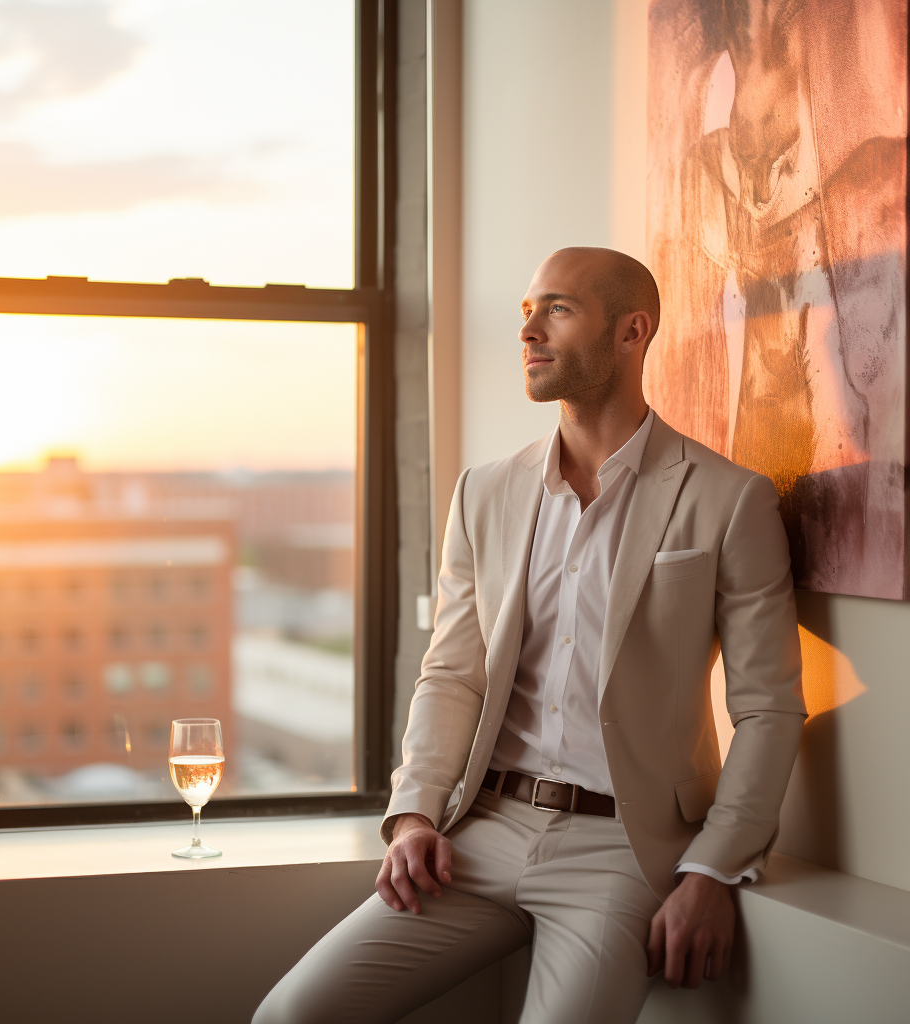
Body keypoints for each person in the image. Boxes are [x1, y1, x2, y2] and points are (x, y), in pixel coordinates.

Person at [253, 247, 806, 1024]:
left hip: (621, 850)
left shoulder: (726, 499)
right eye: (526, 311)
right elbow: (452, 675)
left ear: (630, 332)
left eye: (557, 309)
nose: (529, 330)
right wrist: (415, 814)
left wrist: (711, 872)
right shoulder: (485, 493)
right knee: (292, 1016)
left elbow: (768, 708)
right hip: (479, 836)